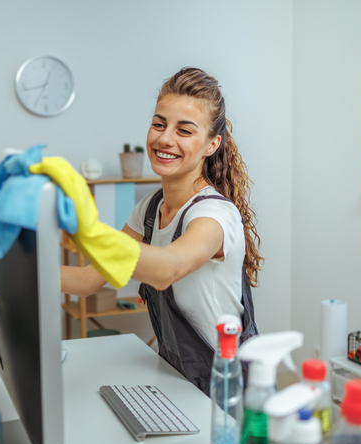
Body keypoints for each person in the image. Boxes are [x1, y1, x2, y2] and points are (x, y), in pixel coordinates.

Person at [60, 67, 262, 394]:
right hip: (176, 378)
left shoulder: (214, 215)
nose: (164, 138)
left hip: (225, 390)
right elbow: (88, 281)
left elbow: (168, 268)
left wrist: (86, 228)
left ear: (212, 144)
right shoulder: (151, 208)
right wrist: (19, 268)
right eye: (159, 124)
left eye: (184, 130)